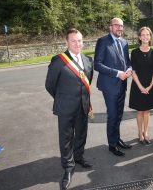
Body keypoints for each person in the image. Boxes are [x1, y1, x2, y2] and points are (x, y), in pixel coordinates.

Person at [45, 29, 94, 189]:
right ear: (66, 42)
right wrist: (62, 98)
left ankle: (78, 156)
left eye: (79, 40)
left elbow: (87, 82)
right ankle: (68, 168)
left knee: (81, 134)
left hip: (83, 105)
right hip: (65, 107)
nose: (77, 44)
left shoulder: (88, 60)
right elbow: (50, 85)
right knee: (66, 139)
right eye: (73, 41)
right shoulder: (58, 61)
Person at [94, 18, 132, 156]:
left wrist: (129, 69)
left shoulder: (124, 42)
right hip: (109, 86)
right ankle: (112, 145)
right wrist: (117, 74)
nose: (120, 28)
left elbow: (127, 61)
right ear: (110, 27)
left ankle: (117, 139)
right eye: (117, 26)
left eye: (122, 26)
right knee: (113, 115)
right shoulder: (103, 41)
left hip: (122, 85)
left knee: (119, 115)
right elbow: (97, 64)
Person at [129, 27, 153, 145]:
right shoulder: (135, 53)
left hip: (150, 85)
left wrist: (150, 85)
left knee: (147, 111)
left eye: (147, 35)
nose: (145, 37)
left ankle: (146, 133)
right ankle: (139, 133)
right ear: (139, 37)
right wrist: (141, 87)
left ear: (150, 37)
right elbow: (133, 71)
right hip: (138, 85)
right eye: (143, 35)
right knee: (140, 111)